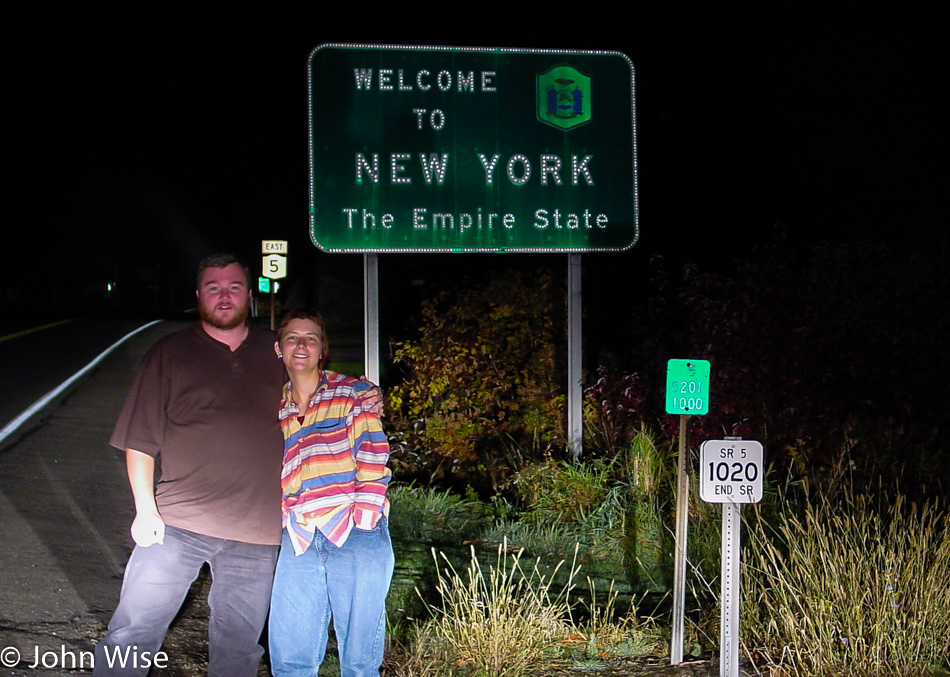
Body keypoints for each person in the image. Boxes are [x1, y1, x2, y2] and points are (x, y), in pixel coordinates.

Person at [94, 255, 379, 677]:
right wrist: (145, 510)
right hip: (177, 524)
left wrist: (364, 392)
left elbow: (317, 380)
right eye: (213, 287)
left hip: (258, 536)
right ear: (198, 296)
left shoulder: (275, 352)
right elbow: (139, 440)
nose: (224, 296)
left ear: (250, 294)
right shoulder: (170, 353)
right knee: (132, 631)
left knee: (239, 651)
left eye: (233, 287)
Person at [267, 310, 394, 677]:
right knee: (291, 654)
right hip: (300, 533)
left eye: (311, 338)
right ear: (279, 348)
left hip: (354, 529)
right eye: (292, 337)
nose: (301, 345)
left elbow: (373, 452)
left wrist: (366, 519)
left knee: (358, 659)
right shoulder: (275, 404)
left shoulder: (352, 393)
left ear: (323, 350)